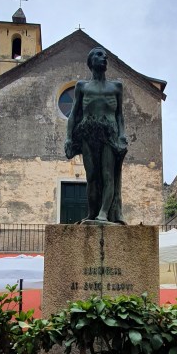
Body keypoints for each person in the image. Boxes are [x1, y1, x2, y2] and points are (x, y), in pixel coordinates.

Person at [64, 46, 128, 224]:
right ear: (91, 61)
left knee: (108, 175)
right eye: (100, 55)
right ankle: (92, 212)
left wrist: (122, 136)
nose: (104, 58)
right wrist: (69, 137)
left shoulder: (116, 87)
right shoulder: (82, 87)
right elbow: (73, 114)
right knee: (92, 176)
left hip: (109, 133)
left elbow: (120, 115)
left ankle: (104, 213)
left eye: (106, 56)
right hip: (88, 133)